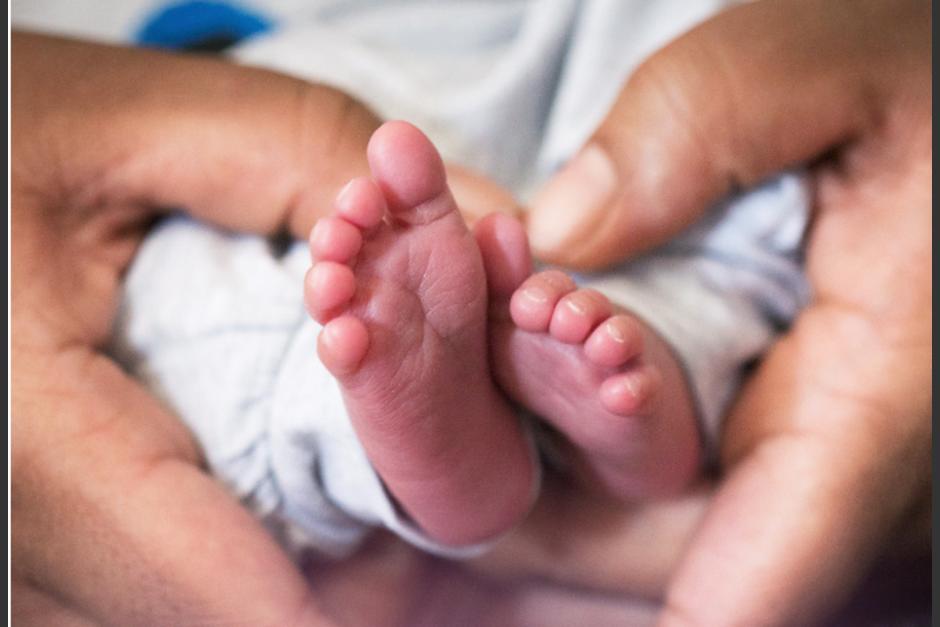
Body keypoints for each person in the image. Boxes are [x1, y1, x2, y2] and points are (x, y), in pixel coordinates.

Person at [11, 0, 930, 625]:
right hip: (682, 52)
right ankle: (635, 388)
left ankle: (390, 433)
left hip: (295, 74)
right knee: (712, 278)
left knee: (232, 316)